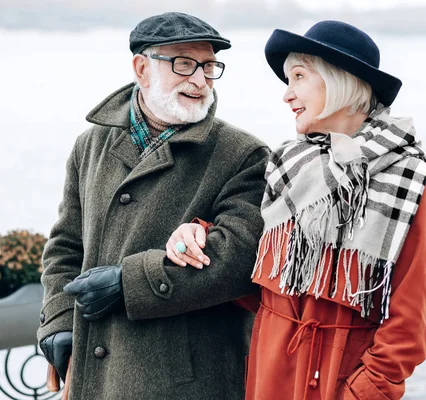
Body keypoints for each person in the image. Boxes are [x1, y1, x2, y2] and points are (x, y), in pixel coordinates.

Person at [167, 20, 426, 400]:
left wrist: (362, 393)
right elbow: (264, 282)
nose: (287, 95)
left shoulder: (407, 177)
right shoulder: (289, 165)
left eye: (298, 77)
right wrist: (198, 235)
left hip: (337, 381)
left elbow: (408, 325)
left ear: (340, 80)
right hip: (269, 371)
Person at [37, 12, 269, 400]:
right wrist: (59, 320)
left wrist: (127, 282)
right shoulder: (90, 145)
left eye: (209, 66)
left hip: (189, 386)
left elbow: (241, 259)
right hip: (93, 381)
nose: (200, 80)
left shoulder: (243, 154)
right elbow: (65, 246)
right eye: (183, 64)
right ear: (142, 69)